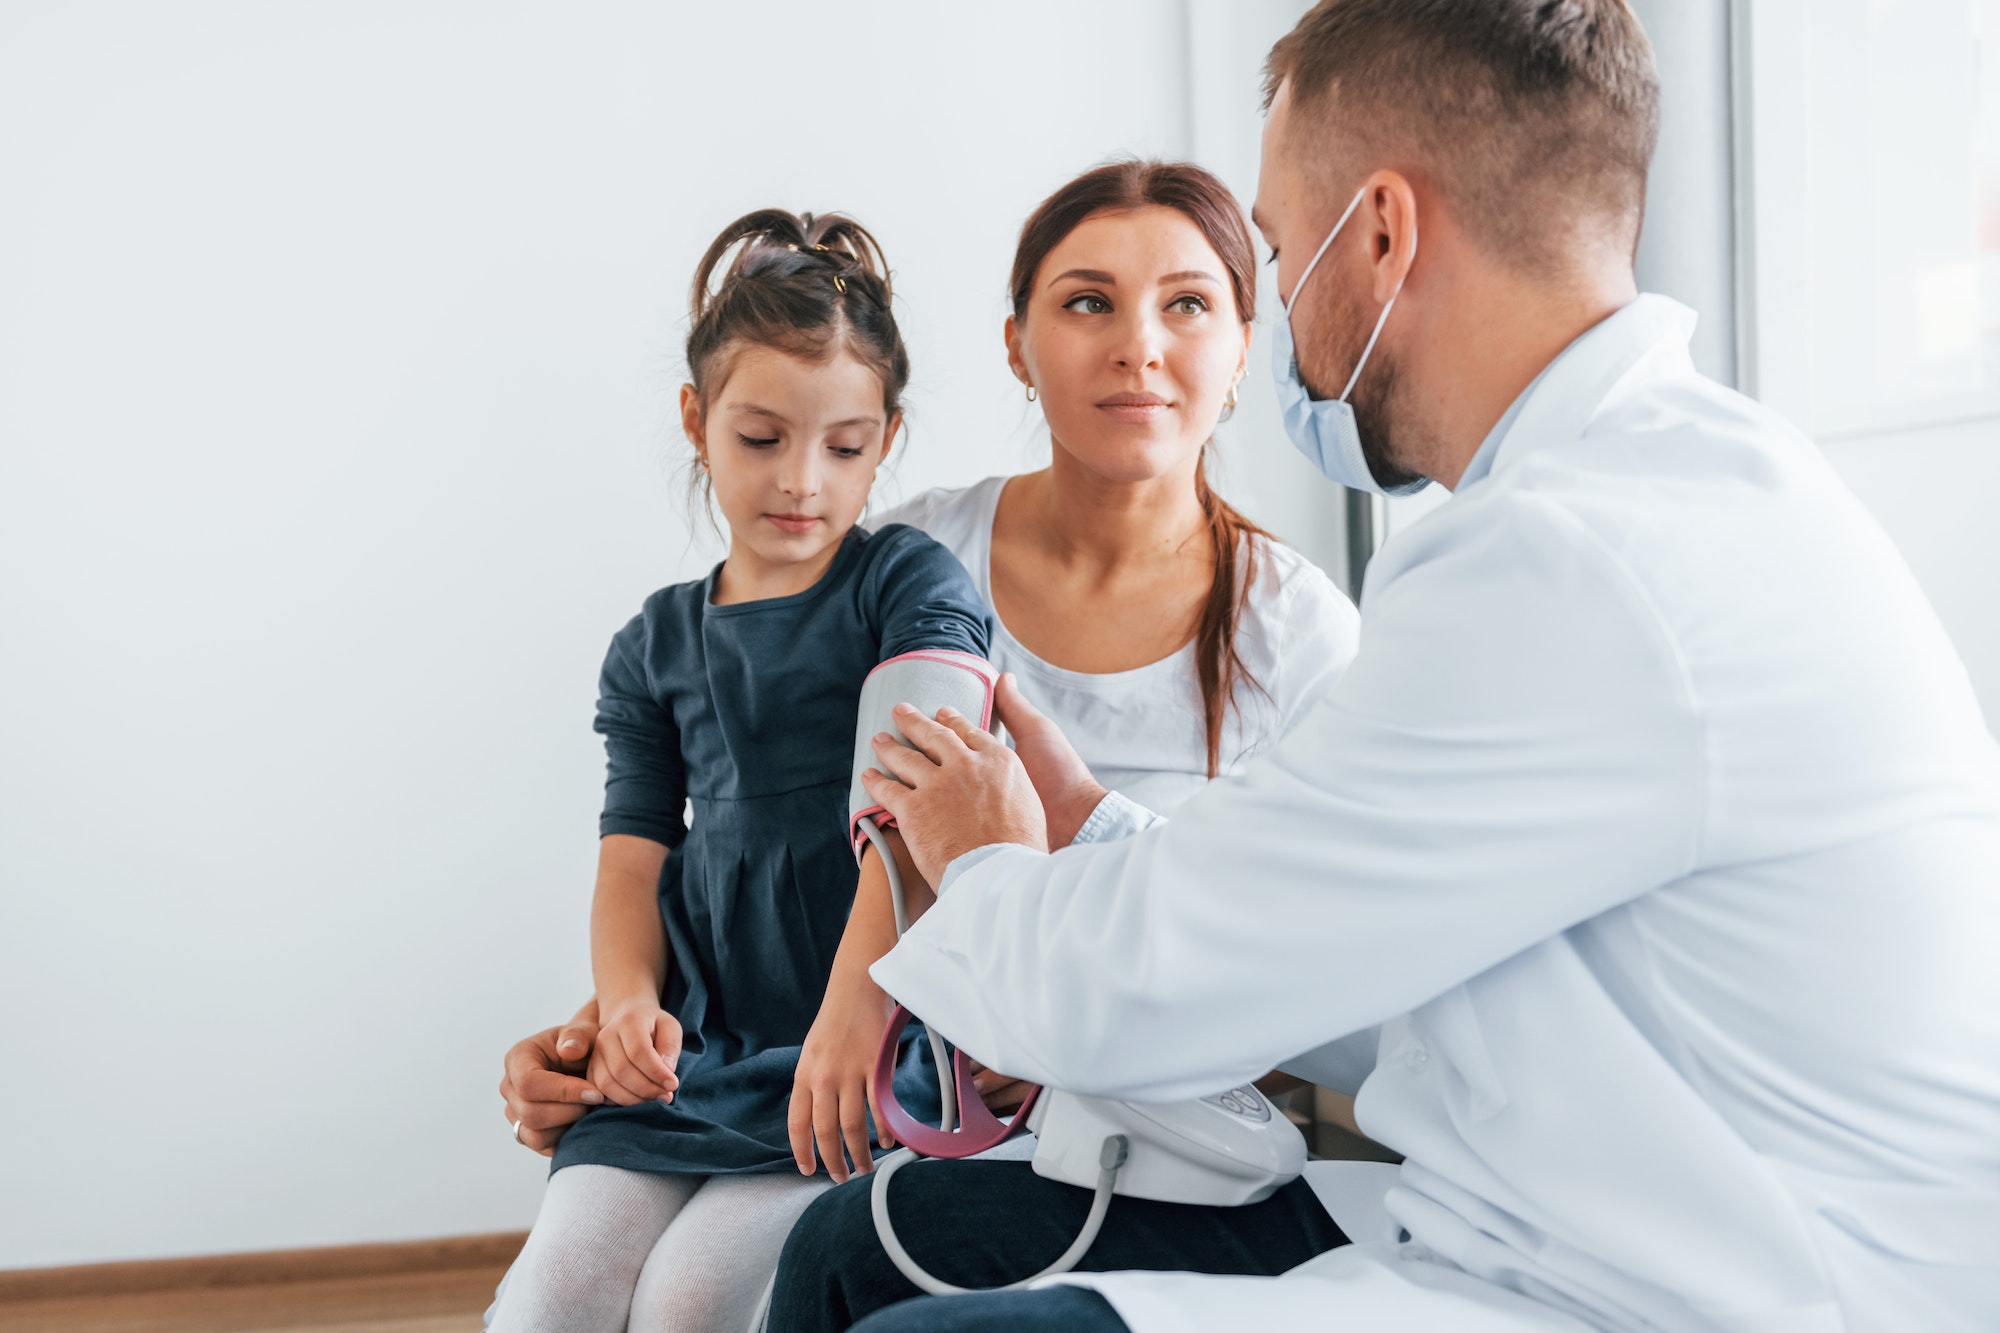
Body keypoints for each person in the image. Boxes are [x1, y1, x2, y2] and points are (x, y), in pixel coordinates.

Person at [770, 3, 2000, 1331]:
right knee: (857, 1249)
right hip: (1568, 1213)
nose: (1281, 303)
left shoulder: (1569, 561)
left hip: (1707, 1287)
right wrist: (1094, 828)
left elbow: (1135, 995)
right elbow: (1375, 959)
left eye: (1283, 254)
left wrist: (987, 854)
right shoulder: (1666, 491)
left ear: (1382, 234)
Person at [496, 161, 1364, 1324]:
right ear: (1015, 343)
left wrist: (1056, 1031)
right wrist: (611, 1016)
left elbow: (1320, 965)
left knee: (711, 1288)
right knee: (578, 1280)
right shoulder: (892, 552)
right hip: (862, 1061)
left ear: (1245, 340)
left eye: (1189, 303)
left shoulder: (1299, 631)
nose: (1138, 347)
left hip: (1112, 1118)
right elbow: (745, 835)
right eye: (1087, 301)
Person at [481, 208, 1000, 1333]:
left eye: (845, 447)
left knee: (690, 1304)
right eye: (761, 438)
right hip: (698, 1051)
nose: (802, 481)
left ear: (887, 439)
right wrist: (625, 1010)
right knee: (553, 1299)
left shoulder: (907, 588)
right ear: (696, 420)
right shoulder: (654, 644)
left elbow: (909, 807)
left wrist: (857, 1017)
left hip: (862, 1041)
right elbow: (631, 860)